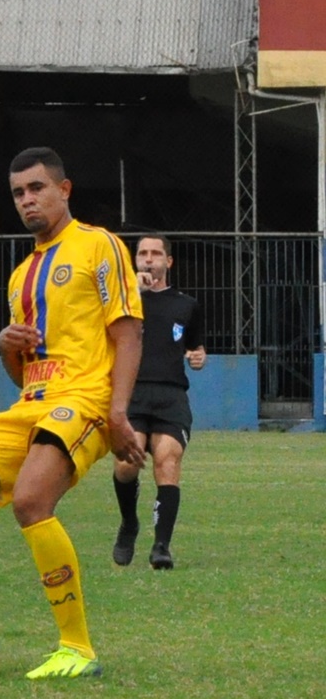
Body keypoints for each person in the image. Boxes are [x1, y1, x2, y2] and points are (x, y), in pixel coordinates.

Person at [0, 147, 145, 679]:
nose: (27, 200)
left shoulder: (97, 245)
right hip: (32, 403)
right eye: (18, 193)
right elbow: (22, 373)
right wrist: (6, 346)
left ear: (65, 190)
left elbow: (127, 332)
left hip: (82, 399)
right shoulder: (21, 276)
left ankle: (77, 648)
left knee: (32, 500)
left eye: (37, 188)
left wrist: (118, 413)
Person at [112, 235, 206, 570]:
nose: (148, 259)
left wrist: (198, 356)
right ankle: (129, 523)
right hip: (131, 394)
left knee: (168, 461)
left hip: (170, 396)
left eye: (155, 254)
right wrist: (131, 292)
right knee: (127, 464)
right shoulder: (121, 301)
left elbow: (193, 345)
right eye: (142, 254)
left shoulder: (186, 304)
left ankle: (161, 546)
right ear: (135, 260)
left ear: (168, 262)